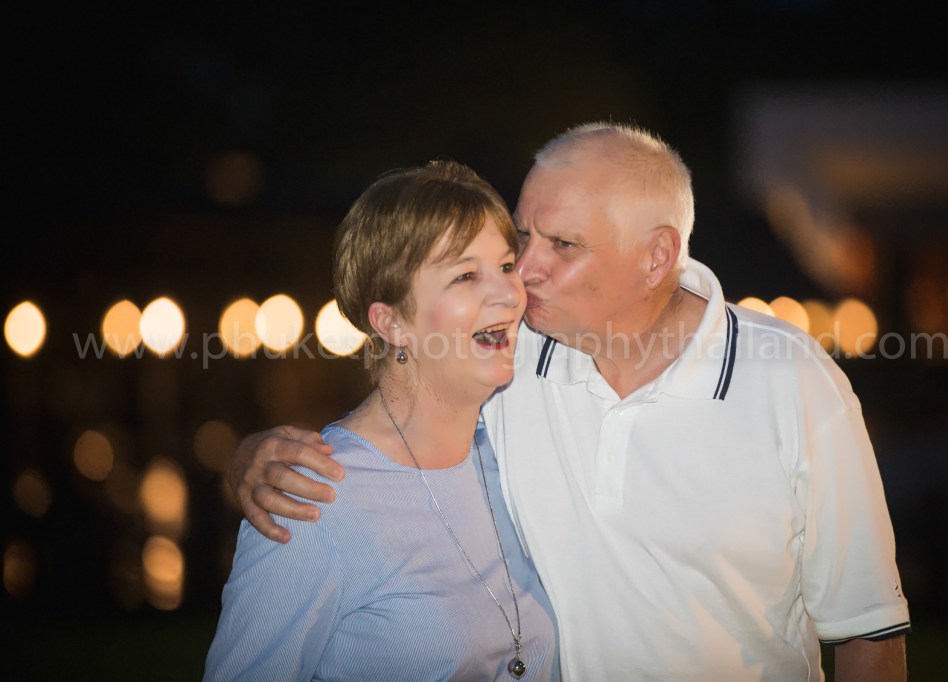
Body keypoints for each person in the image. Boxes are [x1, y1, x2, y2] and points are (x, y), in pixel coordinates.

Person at [231, 123, 911, 681]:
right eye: (523, 238)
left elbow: (869, 637)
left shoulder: (791, 380)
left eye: (561, 245)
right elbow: (401, 415)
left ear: (655, 258)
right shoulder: (510, 358)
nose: (522, 274)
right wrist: (250, 460)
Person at [205, 161, 559, 681]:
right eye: (465, 275)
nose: (509, 293)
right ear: (390, 321)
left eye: (506, 266)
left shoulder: (519, 445)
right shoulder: (314, 497)